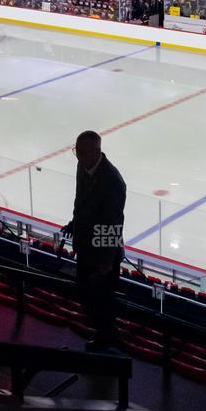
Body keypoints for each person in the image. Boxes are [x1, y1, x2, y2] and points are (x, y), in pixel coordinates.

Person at [62, 130, 127, 351]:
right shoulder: (83, 166)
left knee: (102, 301)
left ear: (97, 151)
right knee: (85, 295)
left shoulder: (112, 181)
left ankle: (106, 342)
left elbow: (113, 222)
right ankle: (105, 336)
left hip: (102, 254)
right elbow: (80, 201)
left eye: (84, 152)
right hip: (85, 247)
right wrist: (74, 224)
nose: (79, 156)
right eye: (77, 151)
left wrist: (105, 265)